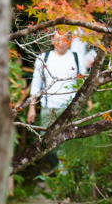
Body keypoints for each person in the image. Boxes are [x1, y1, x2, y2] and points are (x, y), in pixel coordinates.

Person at [26, 27, 94, 172]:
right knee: (48, 144)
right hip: (48, 107)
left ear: (70, 41)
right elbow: (36, 83)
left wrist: (88, 102)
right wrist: (32, 107)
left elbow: (83, 83)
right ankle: (58, 175)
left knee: (68, 142)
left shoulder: (76, 58)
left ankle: (64, 177)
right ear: (52, 40)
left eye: (64, 40)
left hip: (70, 108)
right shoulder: (43, 58)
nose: (61, 43)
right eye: (57, 39)